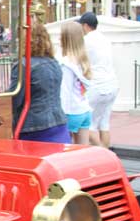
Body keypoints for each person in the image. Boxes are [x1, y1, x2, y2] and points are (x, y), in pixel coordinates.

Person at [8, 23, 70, 143]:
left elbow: (14, 99)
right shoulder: (54, 63)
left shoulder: (24, 65)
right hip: (58, 122)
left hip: (34, 126)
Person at [78, 12, 119, 148]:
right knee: (104, 124)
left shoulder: (86, 40)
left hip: (96, 86)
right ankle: (106, 153)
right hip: (112, 84)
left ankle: (101, 153)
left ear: (85, 26)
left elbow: (79, 62)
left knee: (85, 124)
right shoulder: (105, 39)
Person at [60, 21, 92, 145]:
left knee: (66, 152)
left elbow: (65, 93)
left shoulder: (66, 63)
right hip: (84, 110)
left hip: (70, 112)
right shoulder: (82, 60)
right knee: (83, 152)